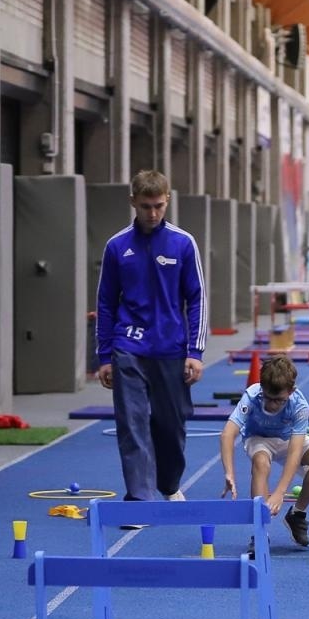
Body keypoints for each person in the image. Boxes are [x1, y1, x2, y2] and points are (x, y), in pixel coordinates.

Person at [96, 170, 204, 512]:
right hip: (128, 347)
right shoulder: (116, 246)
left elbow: (197, 298)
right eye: (146, 206)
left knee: (171, 427)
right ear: (133, 202)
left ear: (167, 200)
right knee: (132, 424)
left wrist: (195, 351)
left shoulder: (183, 243)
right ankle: (140, 501)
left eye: (159, 205)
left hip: (171, 349)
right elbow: (105, 302)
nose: (153, 213)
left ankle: (169, 483)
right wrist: (104, 356)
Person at [219, 355, 309, 552]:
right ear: (262, 388)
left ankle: (297, 514)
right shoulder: (251, 396)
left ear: (291, 391)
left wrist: (280, 492)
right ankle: (260, 532)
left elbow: (295, 452)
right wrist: (229, 472)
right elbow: (228, 434)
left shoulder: (299, 405)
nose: (272, 405)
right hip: (258, 438)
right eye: (268, 398)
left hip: (288, 439)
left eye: (279, 400)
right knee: (261, 463)